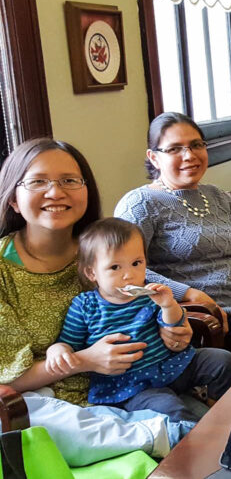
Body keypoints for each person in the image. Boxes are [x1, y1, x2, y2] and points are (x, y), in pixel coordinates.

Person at [0, 139, 195, 466]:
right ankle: (162, 435)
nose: (55, 192)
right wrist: (84, 361)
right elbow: (7, 378)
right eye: (38, 181)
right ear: (14, 199)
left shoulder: (104, 251)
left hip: (133, 384)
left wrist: (175, 324)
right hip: (47, 406)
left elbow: (149, 293)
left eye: (69, 180)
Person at [115, 112, 231, 370]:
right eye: (174, 149)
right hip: (211, 319)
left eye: (196, 145)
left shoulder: (215, 195)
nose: (189, 155)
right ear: (154, 157)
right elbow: (128, 274)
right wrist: (188, 293)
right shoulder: (140, 204)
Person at [49, 218, 231, 423]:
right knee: (171, 409)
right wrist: (58, 350)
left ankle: (217, 407)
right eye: (114, 267)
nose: (129, 275)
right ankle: (192, 442)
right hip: (132, 385)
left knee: (223, 360)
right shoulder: (85, 306)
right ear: (92, 272)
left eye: (136, 263)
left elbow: (174, 328)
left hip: (173, 365)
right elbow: (69, 342)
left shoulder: (149, 293)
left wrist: (168, 305)